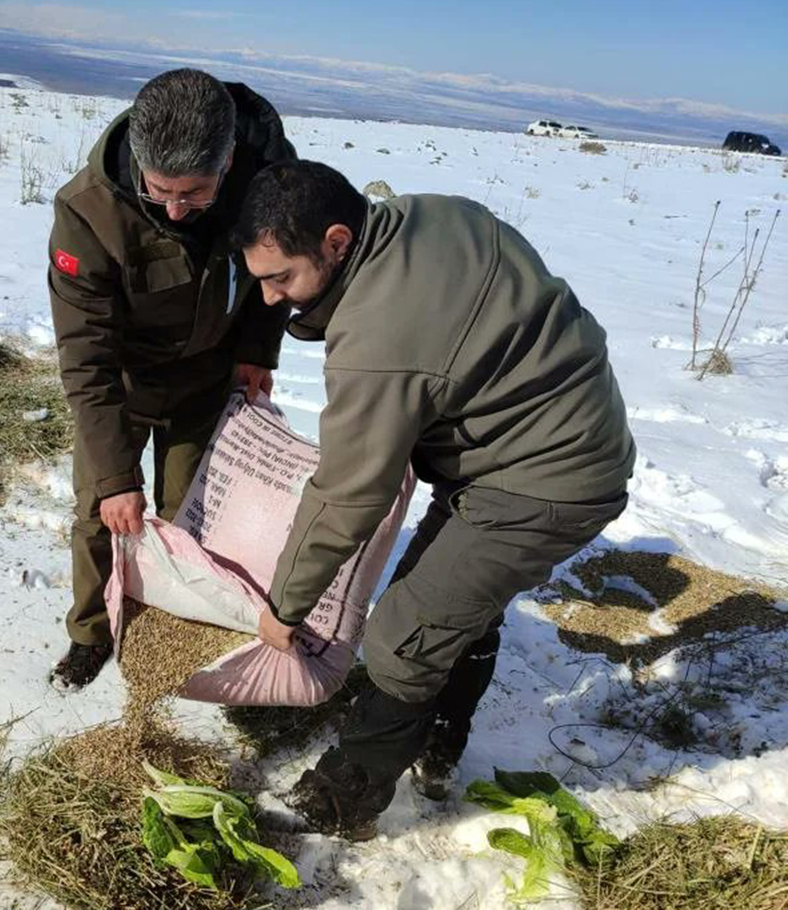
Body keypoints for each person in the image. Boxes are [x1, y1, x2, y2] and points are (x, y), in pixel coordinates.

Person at [232, 160, 635, 839]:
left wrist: (284, 604)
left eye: (282, 278)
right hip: (538, 440)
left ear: (335, 241)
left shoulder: (376, 336)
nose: (271, 299)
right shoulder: (428, 216)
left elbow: (350, 491)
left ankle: (347, 796)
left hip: (548, 476)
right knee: (451, 604)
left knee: (402, 636)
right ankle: (440, 744)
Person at [47, 69, 296, 691]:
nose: (177, 209)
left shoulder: (267, 190)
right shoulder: (88, 214)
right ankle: (89, 632)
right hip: (123, 384)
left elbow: (278, 275)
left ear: (229, 159)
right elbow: (86, 355)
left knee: (190, 511)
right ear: (137, 155)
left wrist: (258, 351)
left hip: (208, 376)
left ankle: (167, 619)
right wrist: (114, 478)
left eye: (197, 193)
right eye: (160, 191)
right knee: (103, 512)